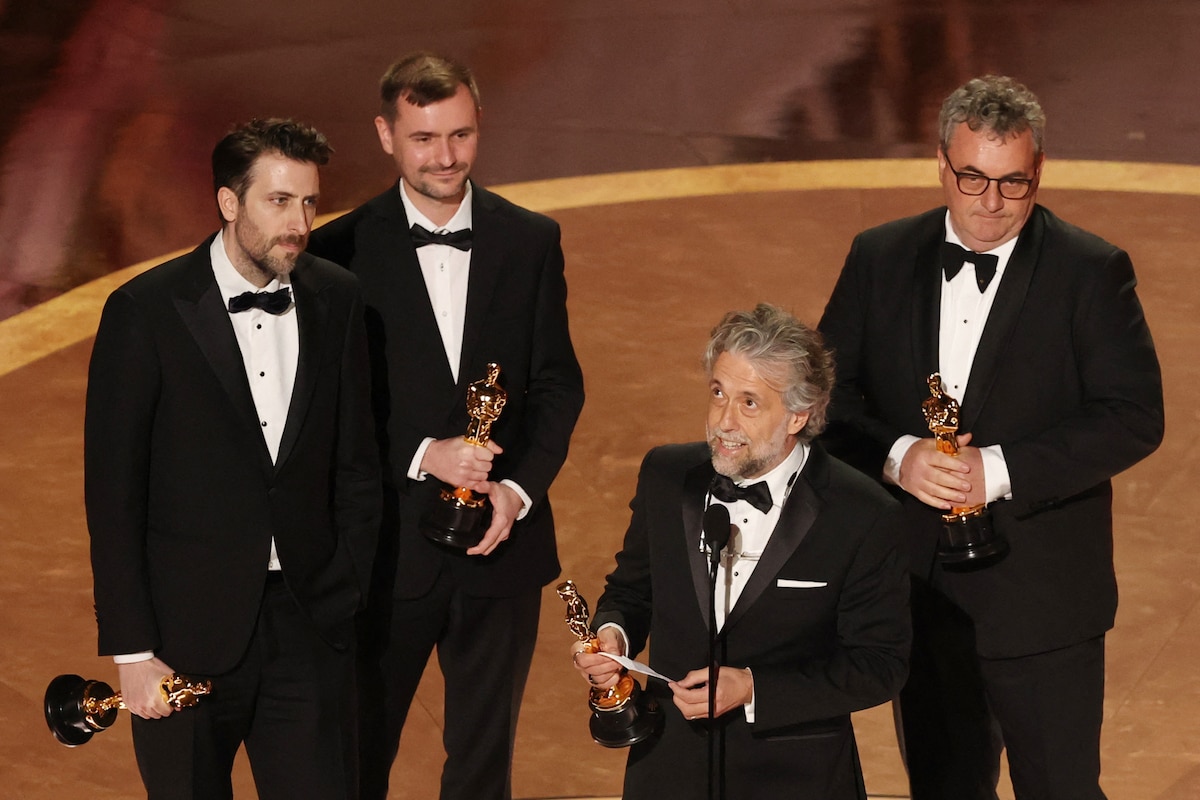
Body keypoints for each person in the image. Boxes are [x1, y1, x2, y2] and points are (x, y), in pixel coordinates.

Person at [817, 75, 1164, 800]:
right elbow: (825, 399)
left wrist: (998, 470)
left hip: (1045, 604)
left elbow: (1133, 414)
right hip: (921, 594)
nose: (991, 203)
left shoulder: (1090, 272)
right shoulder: (880, 257)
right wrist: (899, 457)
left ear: (1039, 173)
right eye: (972, 177)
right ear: (942, 165)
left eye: (1013, 183)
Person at [306, 51, 585, 800]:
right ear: (386, 135)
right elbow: (324, 410)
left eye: (460, 135)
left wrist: (516, 491)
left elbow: (557, 383)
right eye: (424, 138)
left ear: (480, 124)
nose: (445, 157)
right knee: (356, 757)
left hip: (501, 550)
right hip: (386, 554)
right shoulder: (336, 254)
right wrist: (424, 454)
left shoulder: (530, 241)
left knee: (483, 768)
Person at [85, 118, 381, 798]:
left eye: (309, 202)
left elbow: (356, 462)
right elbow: (113, 494)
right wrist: (133, 651)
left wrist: (345, 590)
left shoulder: (337, 296)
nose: (299, 224)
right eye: (279, 201)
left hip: (308, 624)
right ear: (228, 202)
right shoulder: (145, 311)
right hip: (182, 639)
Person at [571, 304, 910, 800]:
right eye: (718, 393)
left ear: (798, 414)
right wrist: (613, 635)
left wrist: (753, 688)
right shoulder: (666, 476)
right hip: (669, 770)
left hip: (794, 779)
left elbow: (879, 665)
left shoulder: (862, 513)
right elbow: (632, 590)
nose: (724, 421)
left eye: (749, 403)